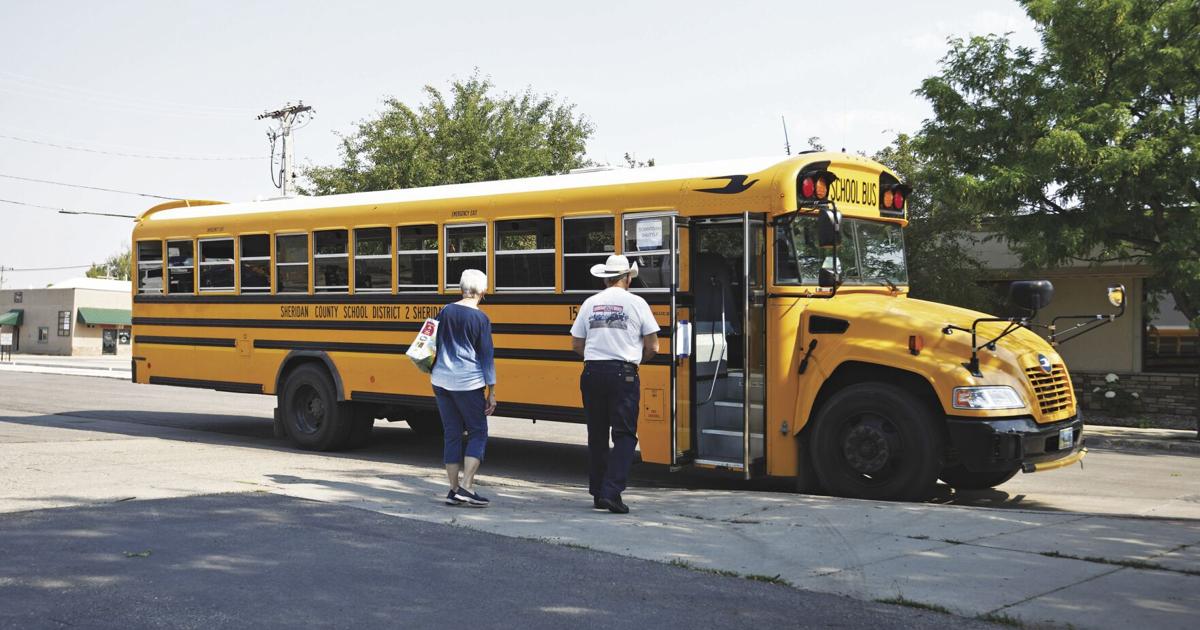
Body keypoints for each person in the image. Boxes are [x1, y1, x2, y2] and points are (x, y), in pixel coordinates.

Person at [570, 255, 660, 514]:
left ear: (606, 277)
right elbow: (653, 346)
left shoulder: (590, 303)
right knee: (624, 435)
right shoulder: (637, 303)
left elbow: (576, 344)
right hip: (623, 373)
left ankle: (599, 492)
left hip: (592, 372)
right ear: (629, 277)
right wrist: (631, 362)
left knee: (596, 434)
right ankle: (612, 491)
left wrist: (598, 357)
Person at [431, 268, 497, 507]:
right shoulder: (481, 319)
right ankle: (467, 487)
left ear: (462, 288)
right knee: (478, 432)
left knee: (452, 434)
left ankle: (453, 489)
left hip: (440, 381)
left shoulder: (445, 311)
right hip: (468, 383)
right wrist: (492, 391)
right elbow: (486, 357)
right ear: (482, 290)